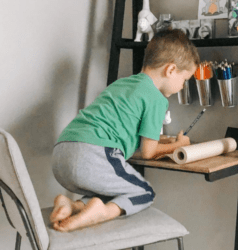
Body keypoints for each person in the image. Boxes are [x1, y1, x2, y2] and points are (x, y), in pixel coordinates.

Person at [50, 29, 200, 232]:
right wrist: (178, 146)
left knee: (117, 188)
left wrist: (166, 141)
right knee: (144, 192)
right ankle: (101, 213)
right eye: (185, 80)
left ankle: (73, 205)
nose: (183, 86)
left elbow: (139, 136)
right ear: (171, 70)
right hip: (92, 154)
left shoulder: (123, 84)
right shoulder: (156, 99)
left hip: (62, 154)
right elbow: (148, 152)